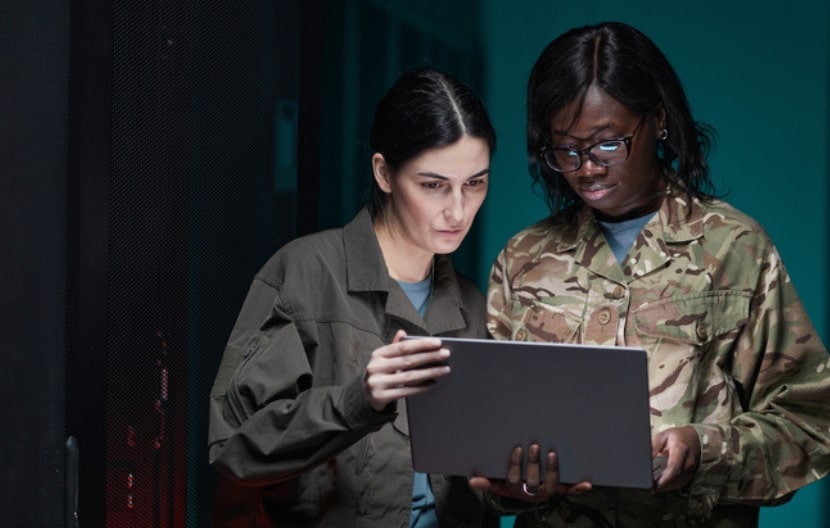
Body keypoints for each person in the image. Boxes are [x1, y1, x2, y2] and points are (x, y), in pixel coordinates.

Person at [473, 21, 830, 527]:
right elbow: (488, 436)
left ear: (657, 120)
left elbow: (810, 420)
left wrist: (703, 450)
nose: (587, 168)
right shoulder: (523, 258)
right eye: (566, 150)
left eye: (607, 143)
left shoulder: (735, 247)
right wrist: (513, 485)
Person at [207, 67, 496, 527]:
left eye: (475, 183)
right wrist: (356, 399)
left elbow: (481, 477)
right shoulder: (303, 272)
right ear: (384, 173)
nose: (457, 210)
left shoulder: (473, 306)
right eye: (433, 185)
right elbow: (234, 448)